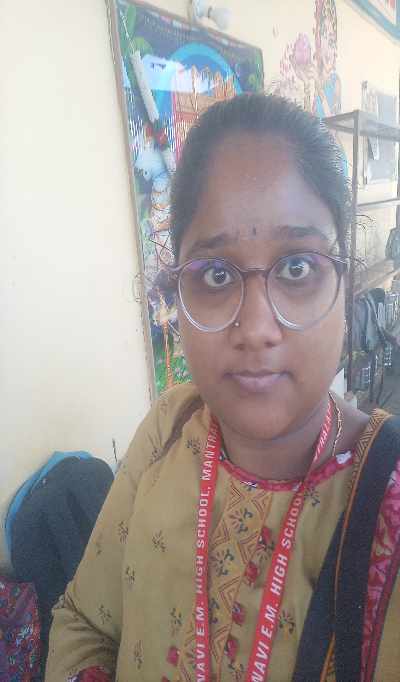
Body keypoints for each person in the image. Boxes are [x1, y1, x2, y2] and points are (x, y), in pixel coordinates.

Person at [45, 94, 400, 682]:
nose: (256, 328)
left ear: (346, 280)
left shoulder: (386, 500)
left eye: (297, 267)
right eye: (215, 274)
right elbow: (83, 621)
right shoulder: (168, 428)